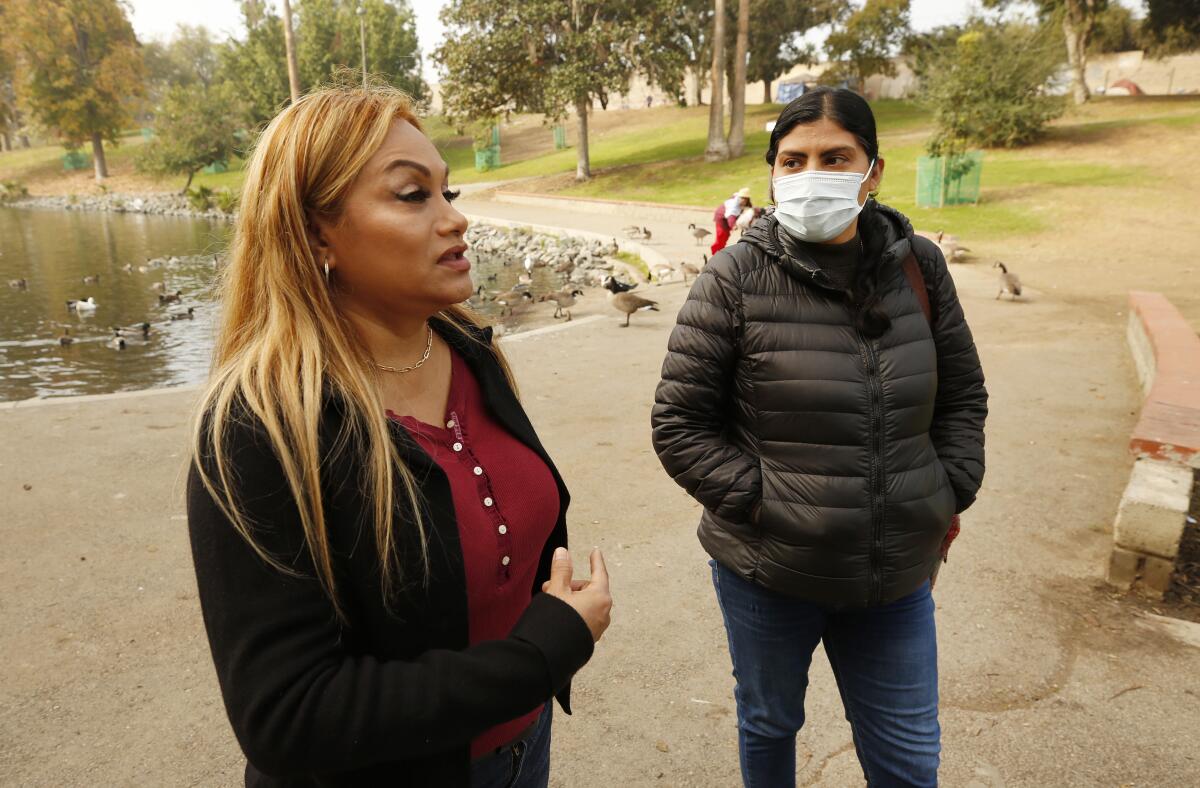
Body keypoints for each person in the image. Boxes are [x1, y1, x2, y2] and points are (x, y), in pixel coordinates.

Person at [186, 85, 612, 788]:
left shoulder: (471, 350)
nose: (457, 220)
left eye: (450, 191)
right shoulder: (259, 425)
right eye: (413, 196)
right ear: (315, 233)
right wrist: (542, 652)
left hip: (520, 751)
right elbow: (287, 716)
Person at [651, 86, 988, 787]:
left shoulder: (919, 267)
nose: (812, 175)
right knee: (770, 723)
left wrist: (947, 488)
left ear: (873, 171)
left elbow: (962, 396)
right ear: (772, 172)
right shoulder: (733, 276)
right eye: (793, 160)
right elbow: (680, 425)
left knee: (908, 758)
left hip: (894, 576)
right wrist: (767, 504)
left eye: (835, 157)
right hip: (768, 573)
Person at [711, 187, 751, 254]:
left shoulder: (743, 203)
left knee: (726, 236)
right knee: (721, 236)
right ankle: (715, 252)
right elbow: (731, 216)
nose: (743, 200)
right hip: (721, 219)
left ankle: (720, 251)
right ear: (739, 197)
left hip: (727, 220)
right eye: (742, 198)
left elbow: (749, 209)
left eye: (745, 199)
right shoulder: (733, 204)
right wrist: (733, 226)